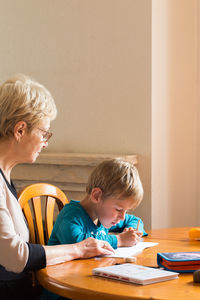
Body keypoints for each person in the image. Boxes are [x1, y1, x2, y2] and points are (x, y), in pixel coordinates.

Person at [0, 74, 114, 300]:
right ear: (20, 130)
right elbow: (15, 256)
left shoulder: (6, 174)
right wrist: (79, 249)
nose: (46, 141)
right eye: (43, 133)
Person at [43, 158, 147, 300]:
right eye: (119, 209)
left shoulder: (104, 216)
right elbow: (80, 242)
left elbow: (136, 220)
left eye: (126, 211)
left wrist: (131, 231)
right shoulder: (71, 215)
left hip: (88, 283)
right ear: (97, 196)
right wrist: (119, 240)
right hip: (65, 291)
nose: (122, 217)